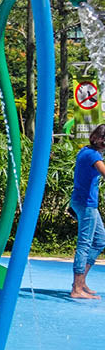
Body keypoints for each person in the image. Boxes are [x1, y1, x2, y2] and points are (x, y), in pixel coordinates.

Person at [69, 124, 105, 299]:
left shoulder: (85, 150)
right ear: (100, 140)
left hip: (82, 202)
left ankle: (81, 282)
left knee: (100, 240)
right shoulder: (93, 156)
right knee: (85, 244)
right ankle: (76, 288)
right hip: (86, 204)